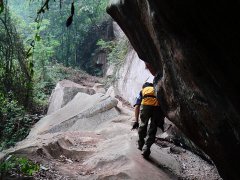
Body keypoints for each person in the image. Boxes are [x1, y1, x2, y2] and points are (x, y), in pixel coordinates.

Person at [132, 82, 164, 158]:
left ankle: (141, 145)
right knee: (153, 128)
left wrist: (136, 121)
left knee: (143, 125)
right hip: (157, 108)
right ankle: (146, 148)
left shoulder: (142, 91)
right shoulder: (157, 89)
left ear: (144, 87)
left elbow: (137, 106)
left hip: (146, 105)